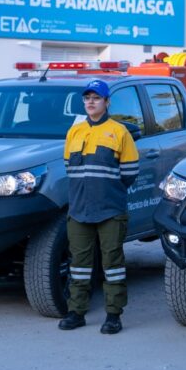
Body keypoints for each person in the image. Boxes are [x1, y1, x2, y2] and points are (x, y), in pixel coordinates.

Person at [57, 79, 139, 334]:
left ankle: (113, 315)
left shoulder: (119, 132)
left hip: (110, 209)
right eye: (87, 98)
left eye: (96, 98)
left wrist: (106, 190)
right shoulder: (75, 131)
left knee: (112, 264)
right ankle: (76, 312)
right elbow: (69, 167)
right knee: (79, 264)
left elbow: (130, 173)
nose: (91, 102)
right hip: (79, 209)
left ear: (107, 102)